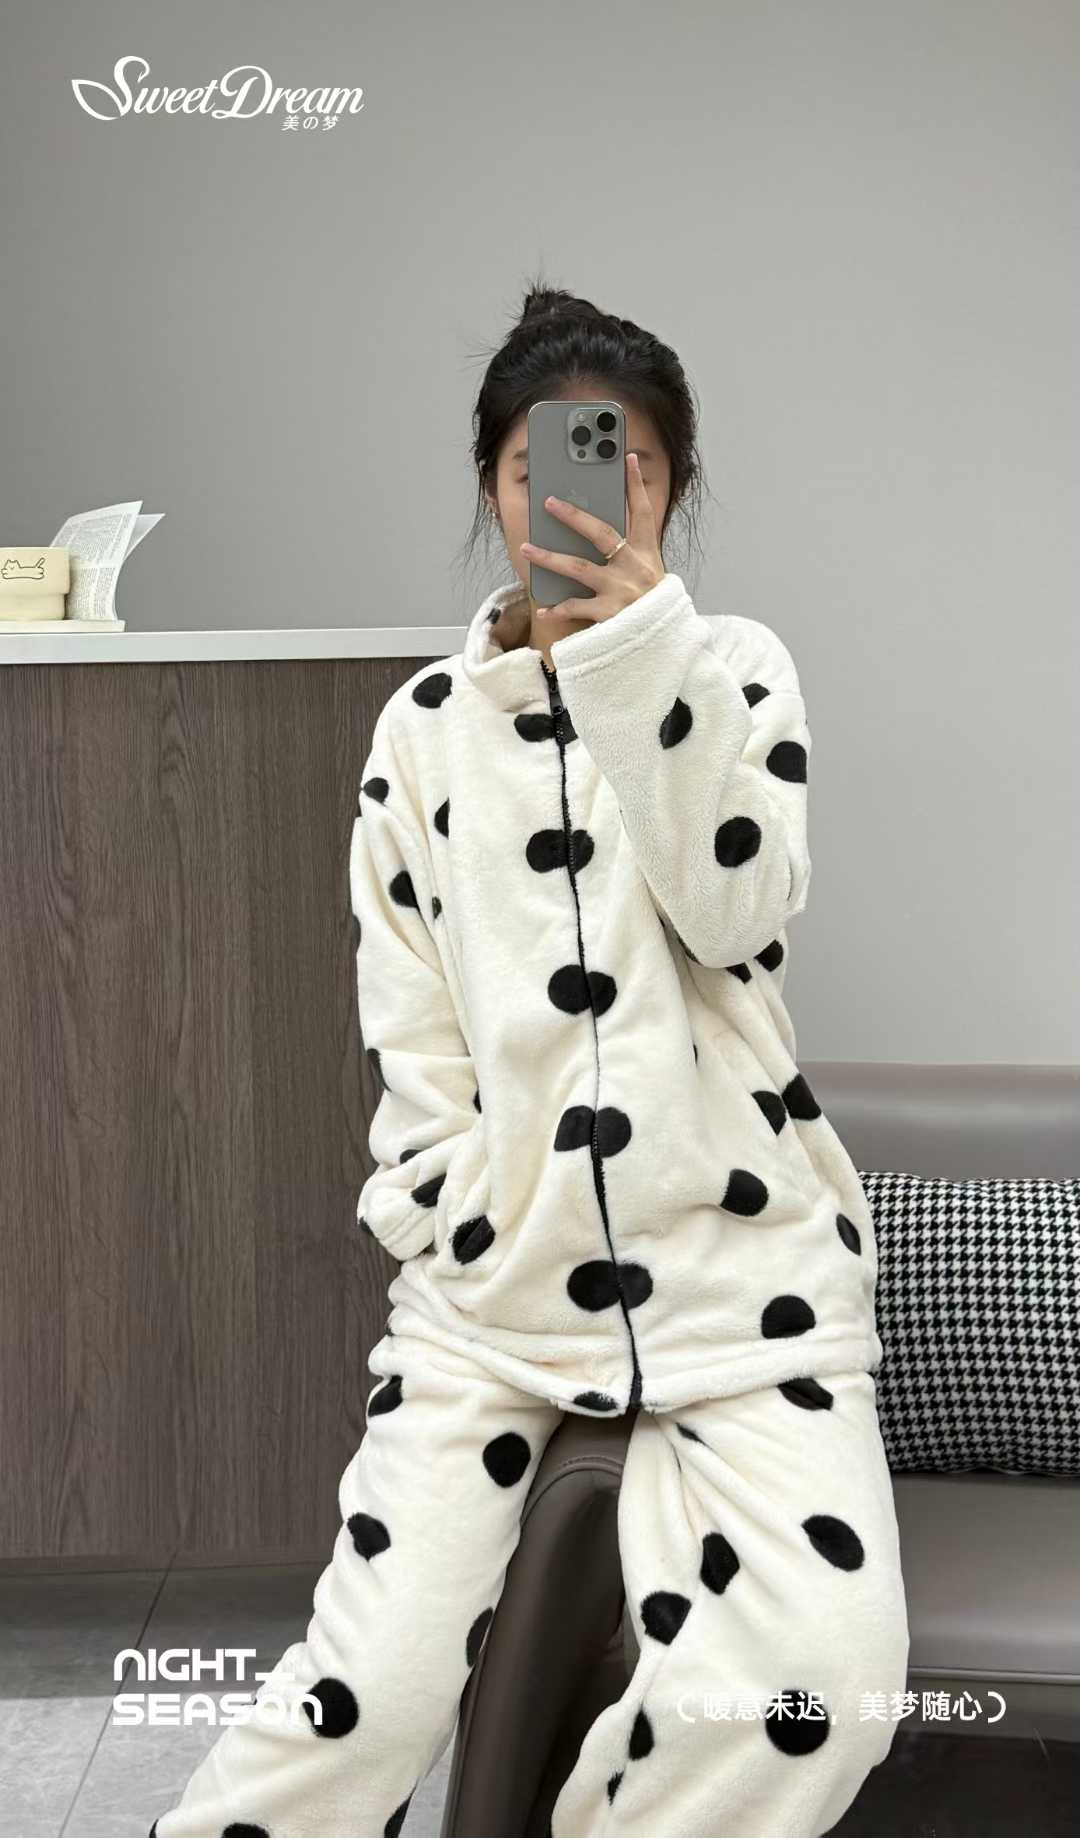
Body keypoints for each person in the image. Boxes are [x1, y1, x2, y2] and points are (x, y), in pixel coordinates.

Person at [149, 279, 909, 1838]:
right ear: (493, 486)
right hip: (490, 1302)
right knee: (357, 1699)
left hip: (744, 1284)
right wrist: (455, 1212)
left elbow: (740, 910)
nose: (581, 497)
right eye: (540, 465)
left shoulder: (736, 669)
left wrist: (637, 664)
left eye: (628, 462)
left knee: (821, 1686)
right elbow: (412, 1033)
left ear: (671, 487)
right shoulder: (422, 733)